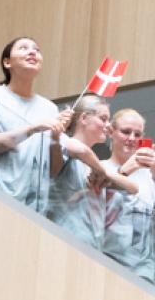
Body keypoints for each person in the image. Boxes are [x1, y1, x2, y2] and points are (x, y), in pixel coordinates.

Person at [0, 36, 66, 206]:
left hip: (31, 206)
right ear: (7, 63)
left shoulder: (49, 108)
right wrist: (32, 129)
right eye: (24, 48)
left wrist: (56, 138)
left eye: (37, 50)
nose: (33, 52)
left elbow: (53, 171)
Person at [45, 94, 135, 249]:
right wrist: (100, 170)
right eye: (103, 118)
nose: (108, 126)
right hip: (62, 240)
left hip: (91, 247)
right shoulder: (62, 142)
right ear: (84, 118)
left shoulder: (94, 165)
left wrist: (104, 173)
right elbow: (77, 148)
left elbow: (133, 187)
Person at [100, 108, 155, 284]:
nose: (132, 139)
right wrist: (124, 172)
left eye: (137, 134)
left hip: (144, 268)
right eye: (126, 132)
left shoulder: (149, 176)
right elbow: (93, 205)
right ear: (111, 132)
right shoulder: (99, 166)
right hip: (107, 259)